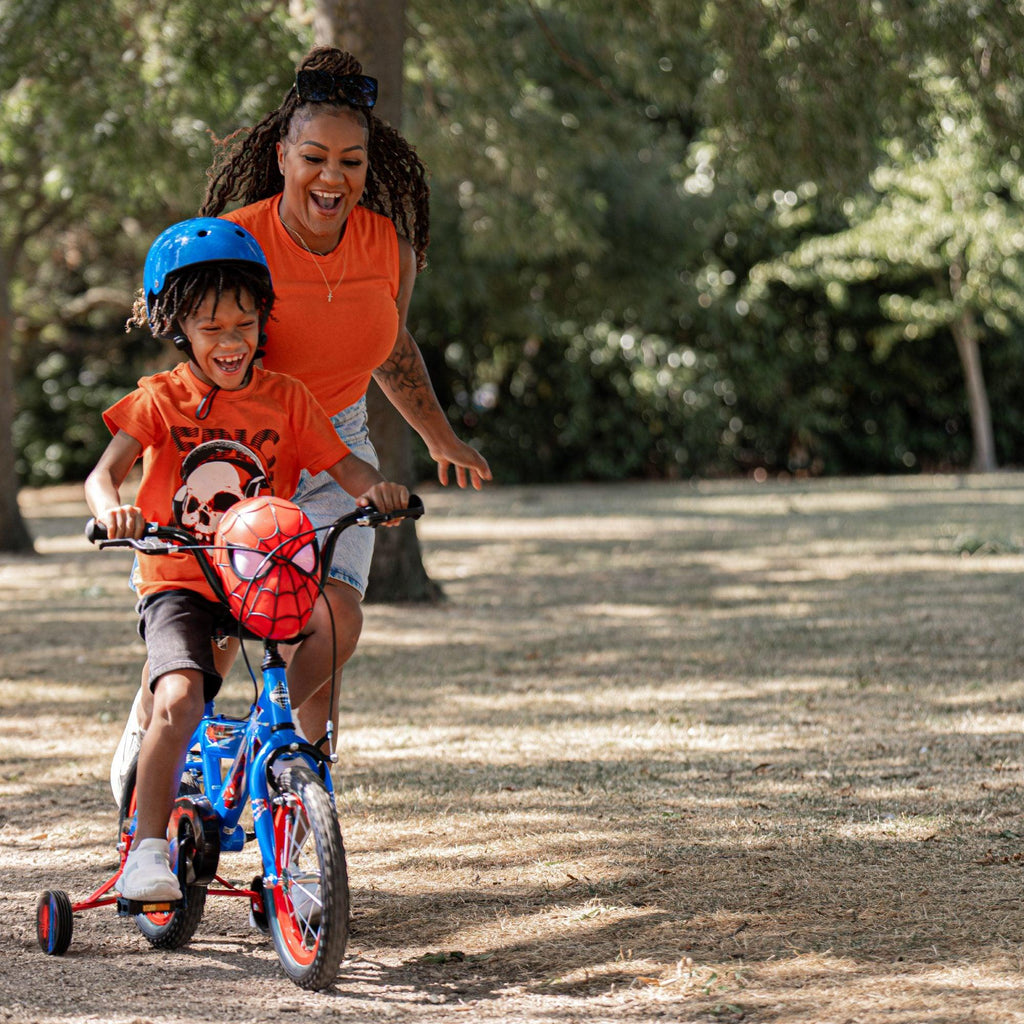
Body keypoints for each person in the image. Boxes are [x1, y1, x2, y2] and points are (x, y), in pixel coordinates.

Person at [109, 47, 490, 802]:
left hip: (338, 438)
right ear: (282, 154)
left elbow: (391, 345)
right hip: (242, 444)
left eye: (351, 161)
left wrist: (437, 435)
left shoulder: (391, 248)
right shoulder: (238, 240)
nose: (332, 177)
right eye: (313, 156)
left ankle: (283, 776)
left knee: (333, 616)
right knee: (221, 633)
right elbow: (200, 348)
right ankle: (161, 728)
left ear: (369, 164)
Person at [87, 218, 409, 900]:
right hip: (178, 577)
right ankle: (146, 851)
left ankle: (291, 780)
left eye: (244, 324)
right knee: (180, 695)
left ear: (264, 322)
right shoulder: (161, 400)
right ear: (178, 328)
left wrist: (373, 490)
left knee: (325, 625)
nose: (231, 342)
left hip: (256, 571)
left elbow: (342, 463)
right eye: (211, 328)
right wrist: (107, 509)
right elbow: (102, 474)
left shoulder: (287, 398)